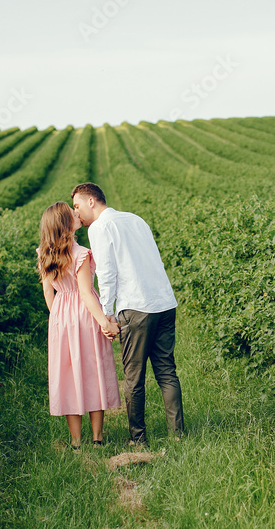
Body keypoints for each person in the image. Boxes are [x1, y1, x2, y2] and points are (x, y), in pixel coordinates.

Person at [71, 182, 185, 446]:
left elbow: (107, 273)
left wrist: (107, 313)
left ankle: (138, 438)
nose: (76, 214)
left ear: (92, 201)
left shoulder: (100, 227)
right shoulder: (135, 219)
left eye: (77, 206)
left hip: (136, 306)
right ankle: (178, 435)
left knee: (133, 377)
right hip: (164, 301)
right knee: (167, 371)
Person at [36, 201, 121, 448]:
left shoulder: (44, 253)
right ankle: (97, 437)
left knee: (68, 374)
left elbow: (48, 293)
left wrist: (60, 319)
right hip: (85, 314)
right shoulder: (81, 253)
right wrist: (104, 322)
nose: (77, 214)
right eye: (72, 214)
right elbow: (85, 293)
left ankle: (75, 441)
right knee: (93, 369)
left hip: (61, 316)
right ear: (66, 225)